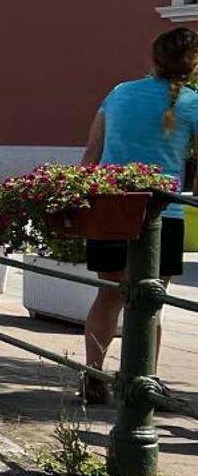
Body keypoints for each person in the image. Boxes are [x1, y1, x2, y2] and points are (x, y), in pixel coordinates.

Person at [78, 26, 198, 400]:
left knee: (109, 295)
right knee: (149, 303)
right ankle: (143, 382)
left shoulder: (119, 93)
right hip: (164, 214)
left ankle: (93, 376)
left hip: (112, 206)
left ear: (154, 57)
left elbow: (91, 154)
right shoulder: (192, 102)